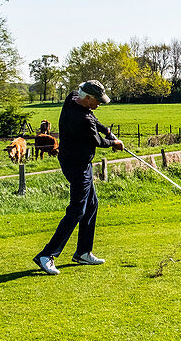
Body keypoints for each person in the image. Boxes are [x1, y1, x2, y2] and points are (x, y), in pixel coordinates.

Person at [33, 80, 123, 275]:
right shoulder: (81, 119)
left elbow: (93, 118)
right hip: (77, 166)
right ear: (88, 98)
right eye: (97, 101)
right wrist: (114, 142)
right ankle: (47, 255)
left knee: (92, 205)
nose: (99, 104)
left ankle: (83, 252)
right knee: (77, 210)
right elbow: (96, 140)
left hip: (78, 161)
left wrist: (106, 129)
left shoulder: (73, 98)